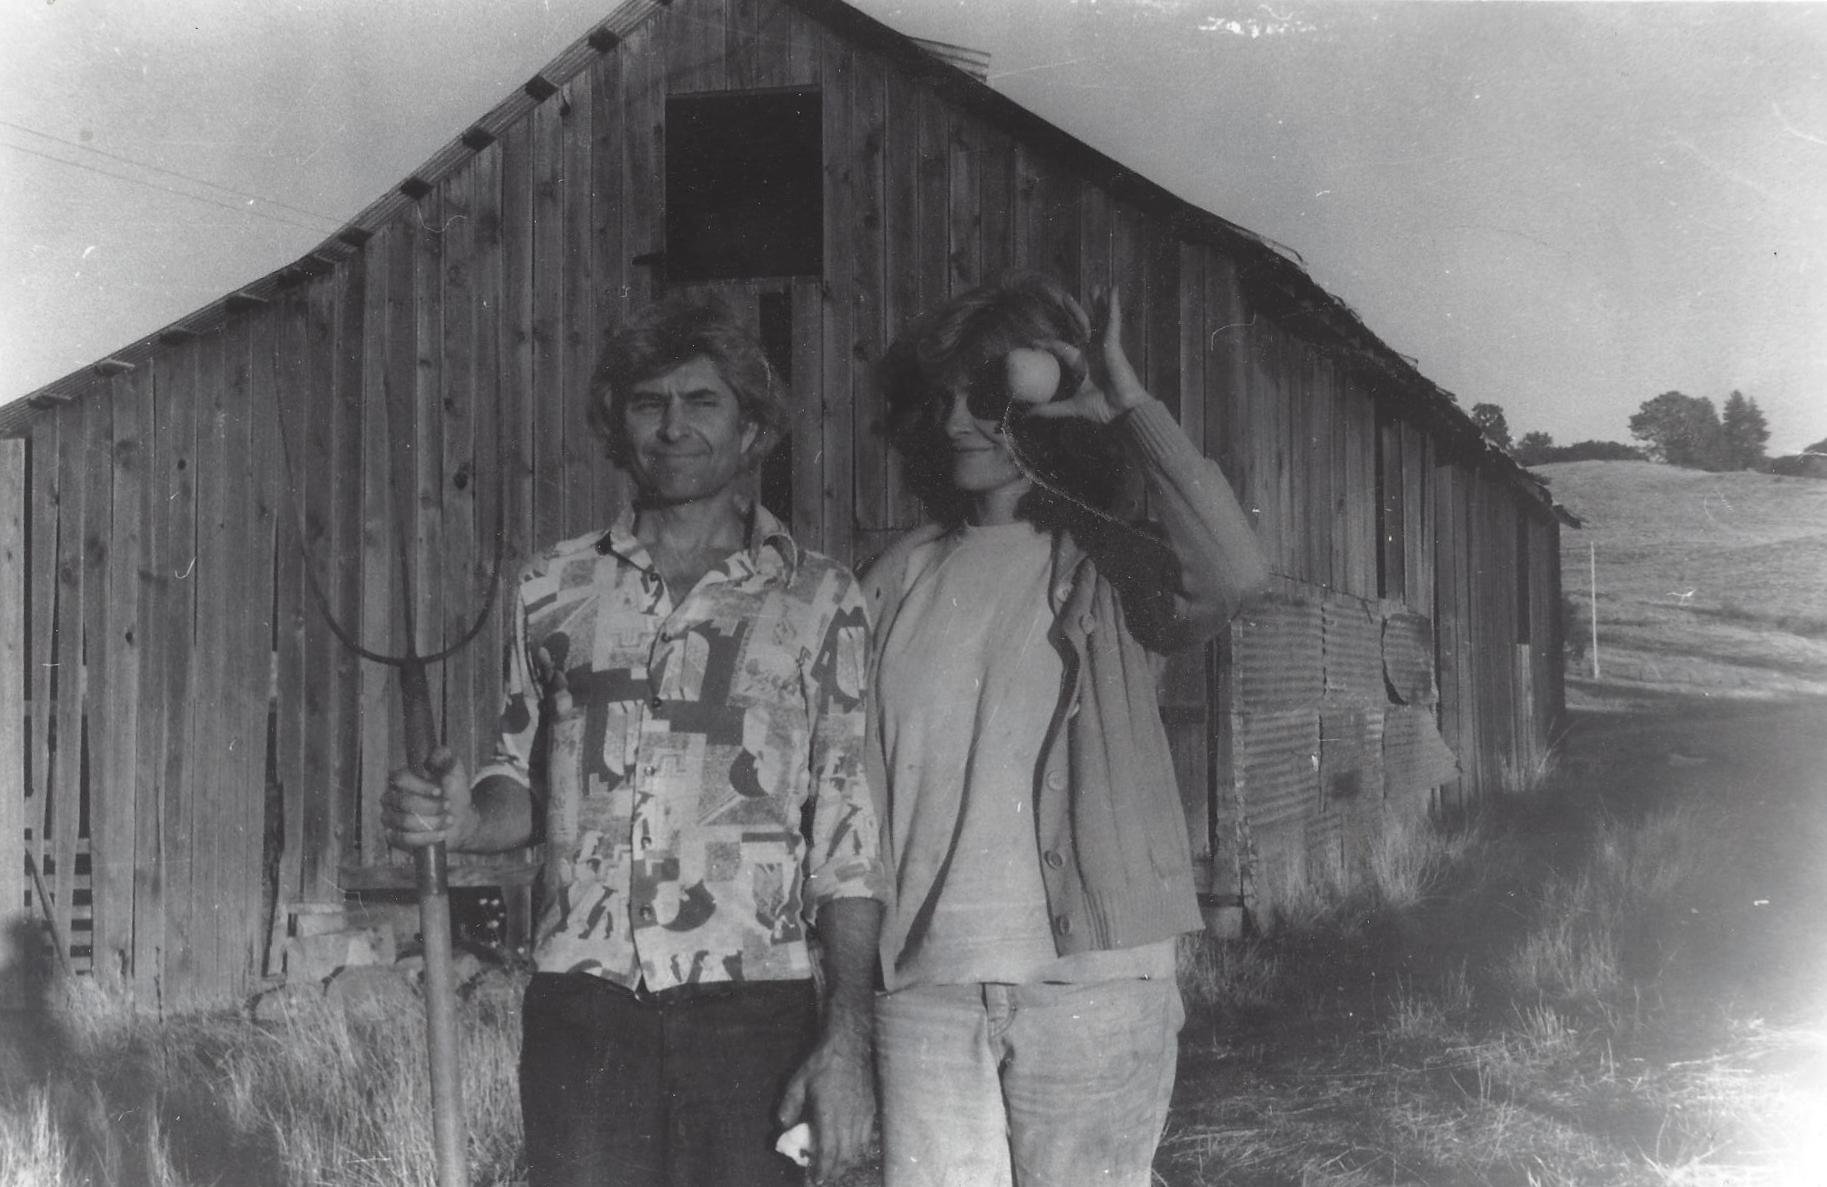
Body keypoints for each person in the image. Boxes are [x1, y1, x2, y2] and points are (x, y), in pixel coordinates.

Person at [382, 297, 885, 1187]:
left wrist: (845, 1035)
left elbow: (849, 840)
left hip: (751, 1003)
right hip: (585, 998)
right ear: (617, 426)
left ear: (752, 429)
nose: (674, 425)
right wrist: (459, 818)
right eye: (649, 403)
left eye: (703, 401)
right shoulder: (553, 586)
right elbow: (519, 784)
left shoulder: (819, 597)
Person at [862, 271, 1269, 1187]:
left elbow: (1235, 574)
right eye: (948, 398)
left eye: (989, 395)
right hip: (925, 989)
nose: (960, 419)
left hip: (1090, 983)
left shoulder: (1110, 558)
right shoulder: (896, 573)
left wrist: (1124, 403)